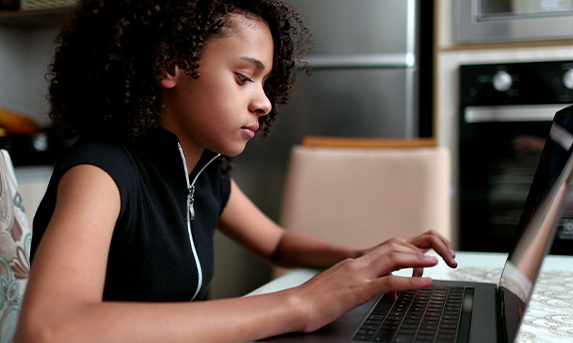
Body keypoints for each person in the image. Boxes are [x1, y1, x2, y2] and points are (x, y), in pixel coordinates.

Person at [15, 0, 457, 342]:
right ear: (169, 65)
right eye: (245, 77)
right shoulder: (102, 170)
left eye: (265, 83)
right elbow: (50, 328)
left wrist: (364, 257)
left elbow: (278, 243)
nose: (264, 103)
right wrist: (301, 304)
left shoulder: (204, 170)